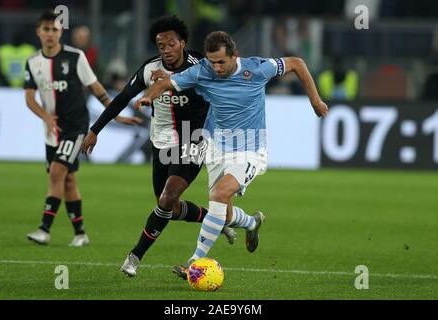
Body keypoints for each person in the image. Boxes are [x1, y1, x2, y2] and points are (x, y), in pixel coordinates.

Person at [134, 31, 328, 279]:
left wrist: (315, 101)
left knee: (219, 193)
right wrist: (148, 97)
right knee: (223, 214)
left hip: (249, 149)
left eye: (221, 62)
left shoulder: (257, 69)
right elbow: (164, 84)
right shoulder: (202, 70)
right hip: (216, 148)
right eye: (212, 62)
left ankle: (195, 261)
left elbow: (297, 64)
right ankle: (251, 222)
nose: (216, 68)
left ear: (235, 56)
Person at [82, 16, 236, 277]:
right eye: (160, 45)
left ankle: (134, 257)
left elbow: (224, 86)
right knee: (170, 208)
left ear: (182, 43)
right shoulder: (148, 69)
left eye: (170, 44)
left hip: (193, 138)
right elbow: (122, 99)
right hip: (161, 143)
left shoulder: (199, 64)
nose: (165, 49)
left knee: (166, 198)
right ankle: (215, 220)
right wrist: (95, 130)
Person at [24, 11, 138, 247]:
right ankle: (80, 233)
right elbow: (29, 98)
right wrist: (45, 116)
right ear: (38, 31)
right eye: (46, 29)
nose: (50, 34)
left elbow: (96, 88)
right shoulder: (33, 62)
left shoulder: (76, 57)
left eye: (54, 30)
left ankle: (44, 229)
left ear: (60, 32)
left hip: (75, 127)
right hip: (51, 131)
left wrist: (114, 114)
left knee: (57, 172)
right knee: (67, 180)